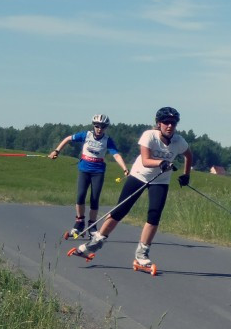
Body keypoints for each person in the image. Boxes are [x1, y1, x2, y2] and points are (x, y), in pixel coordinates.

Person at [72, 107, 193, 269]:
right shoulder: (149, 136)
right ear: (159, 124)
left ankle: (142, 254)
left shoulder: (179, 141)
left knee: (154, 215)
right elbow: (146, 161)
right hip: (139, 175)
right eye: (166, 122)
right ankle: (95, 243)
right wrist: (162, 163)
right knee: (120, 210)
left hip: (160, 181)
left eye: (173, 123)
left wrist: (186, 175)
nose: (170, 126)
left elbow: (188, 155)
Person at [49, 114, 130, 236]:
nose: (99, 129)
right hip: (84, 170)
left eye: (102, 127)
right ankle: (79, 222)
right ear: (93, 126)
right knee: (80, 196)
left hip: (98, 172)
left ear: (106, 128)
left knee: (94, 199)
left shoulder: (107, 140)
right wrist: (56, 151)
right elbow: (68, 139)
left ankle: (92, 226)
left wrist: (125, 168)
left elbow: (116, 155)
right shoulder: (86, 135)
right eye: (97, 126)